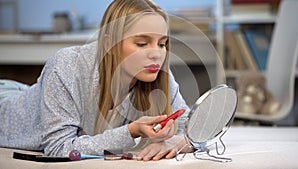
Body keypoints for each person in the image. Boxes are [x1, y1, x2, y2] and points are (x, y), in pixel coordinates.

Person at [0, 0, 194, 161]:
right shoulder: (67, 64)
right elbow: (58, 148)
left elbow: (192, 129)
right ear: (109, 43)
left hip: (29, 93)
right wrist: (131, 131)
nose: (156, 54)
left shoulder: (155, 69)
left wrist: (174, 143)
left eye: (162, 43)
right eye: (142, 43)